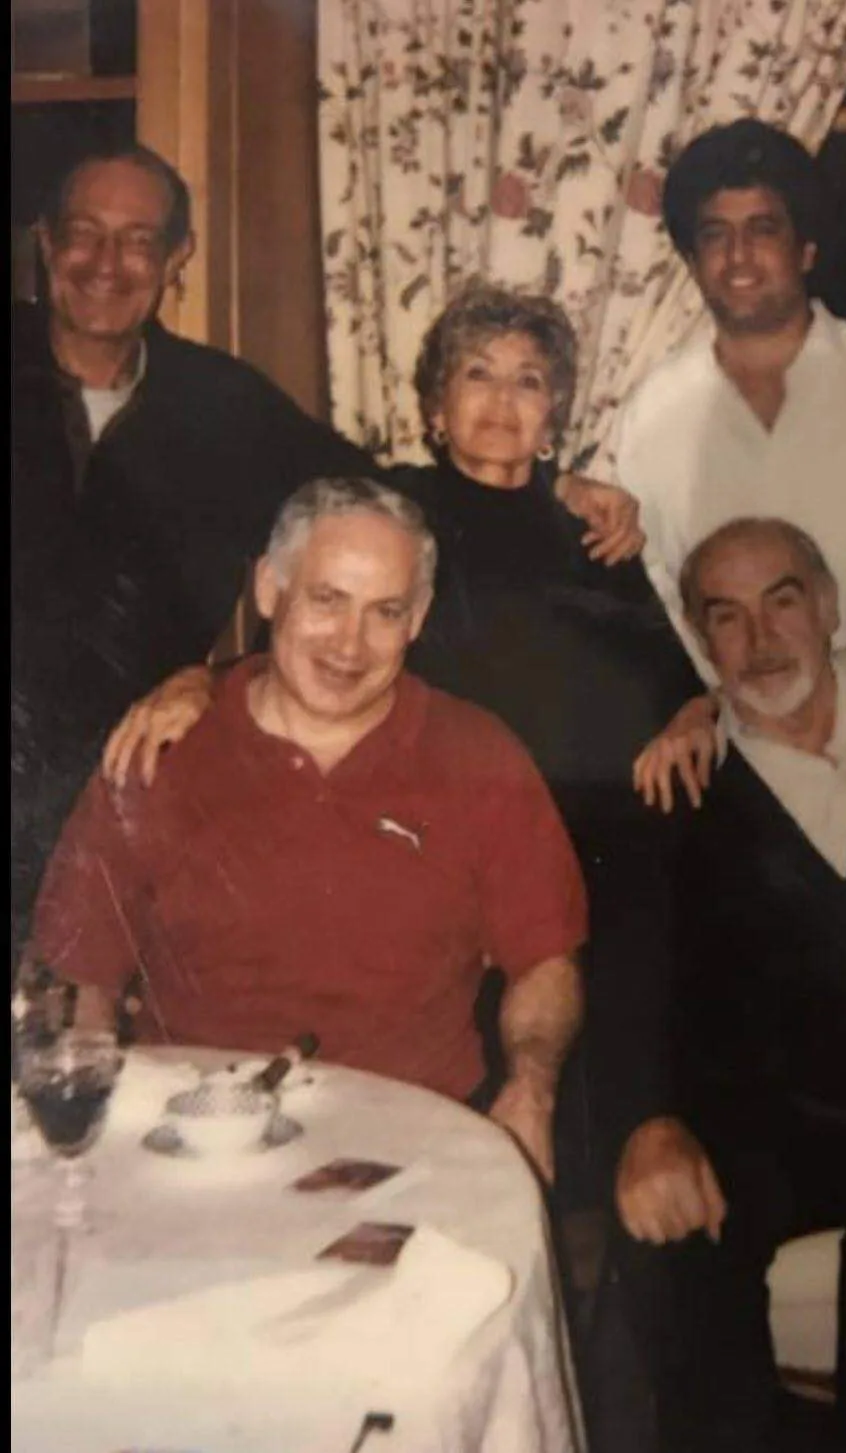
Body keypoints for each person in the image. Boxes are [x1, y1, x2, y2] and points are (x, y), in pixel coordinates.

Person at [99, 280, 701, 1204]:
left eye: (530, 381)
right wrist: (195, 677)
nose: (502, 400)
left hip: (590, 845)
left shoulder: (592, 533)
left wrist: (697, 717)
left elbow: (679, 685)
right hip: (444, 838)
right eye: (477, 374)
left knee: (621, 1090)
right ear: (434, 404)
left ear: (555, 415)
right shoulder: (391, 516)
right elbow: (298, 641)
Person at [10, 146, 639, 970]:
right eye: (85, 236)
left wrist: (554, 488)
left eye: (138, 240)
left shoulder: (219, 402)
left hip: (123, 778)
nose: (106, 264)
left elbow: (388, 508)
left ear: (176, 259)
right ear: (47, 244)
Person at [27, 478, 588, 1185]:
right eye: (326, 600)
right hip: (188, 1148)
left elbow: (546, 962)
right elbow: (78, 970)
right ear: (269, 588)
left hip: (412, 1150)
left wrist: (531, 1087)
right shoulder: (159, 753)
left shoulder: (479, 753)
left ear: (418, 619)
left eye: (385, 611)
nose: (350, 644)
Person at [604, 517, 846, 1453]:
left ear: (827, 606)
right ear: (703, 643)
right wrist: (648, 1124)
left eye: (782, 599)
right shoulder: (677, 782)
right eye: (727, 616)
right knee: (671, 1242)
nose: (761, 635)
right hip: (772, 1129)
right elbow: (628, 981)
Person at [614, 117, 846, 662]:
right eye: (716, 235)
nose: (739, 256)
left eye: (763, 229)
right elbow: (648, 595)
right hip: (735, 730)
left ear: (806, 250)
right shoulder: (654, 410)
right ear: (692, 262)